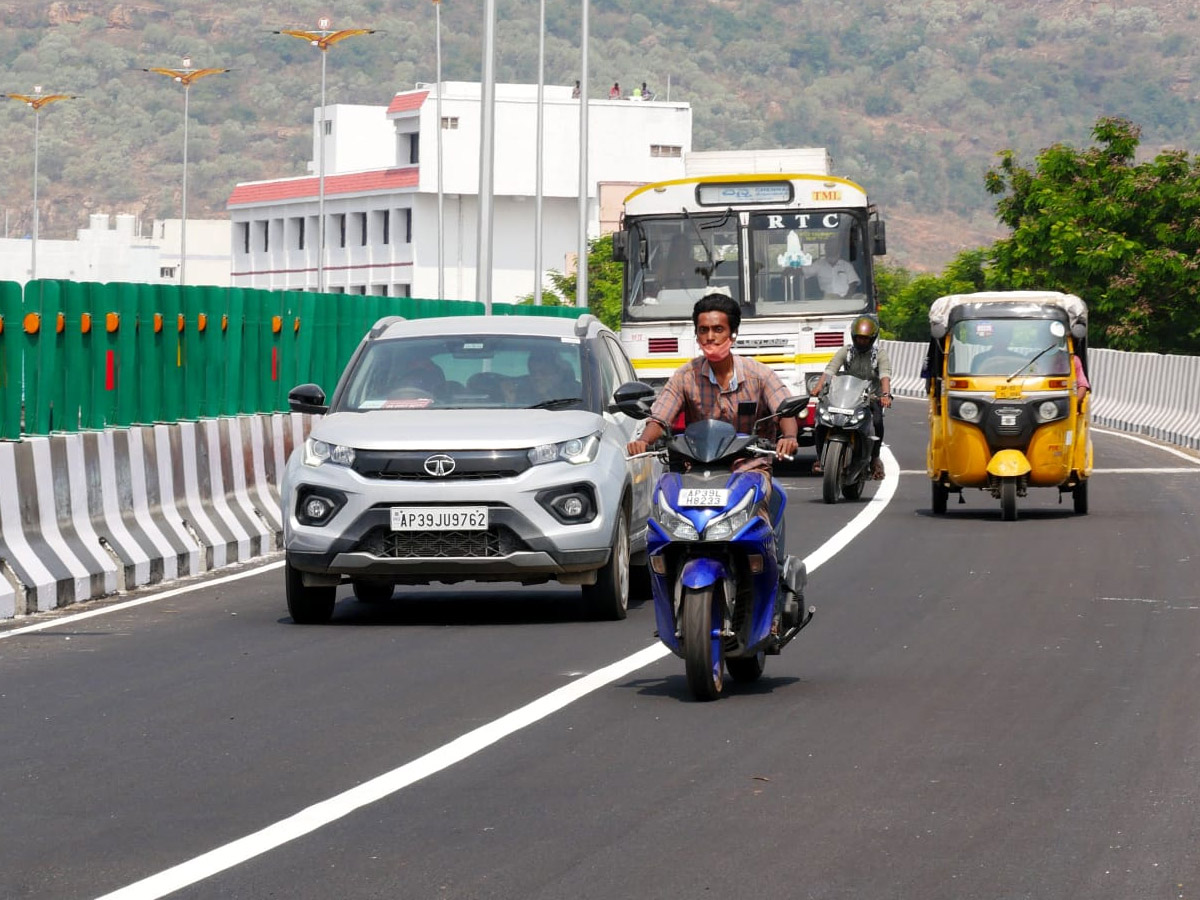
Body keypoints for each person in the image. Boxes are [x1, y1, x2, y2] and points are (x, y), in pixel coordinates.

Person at [626, 294, 800, 570]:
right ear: (696, 335)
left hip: (749, 470)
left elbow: (785, 411)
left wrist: (789, 437)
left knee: (768, 509)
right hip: (696, 472)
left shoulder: (759, 374)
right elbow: (659, 416)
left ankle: (773, 574)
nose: (710, 337)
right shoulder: (685, 376)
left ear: (733, 333)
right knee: (664, 521)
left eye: (718, 329)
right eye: (703, 330)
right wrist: (643, 441)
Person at [810, 315, 892, 480]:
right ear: (854, 337)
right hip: (846, 396)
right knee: (821, 420)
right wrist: (818, 387)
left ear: (872, 338)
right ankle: (820, 457)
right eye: (859, 338)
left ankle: (874, 457)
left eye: (865, 339)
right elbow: (830, 369)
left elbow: (884, 375)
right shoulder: (846, 352)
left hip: (869, 398)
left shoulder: (879, 354)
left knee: (877, 422)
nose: (862, 342)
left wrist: (885, 394)